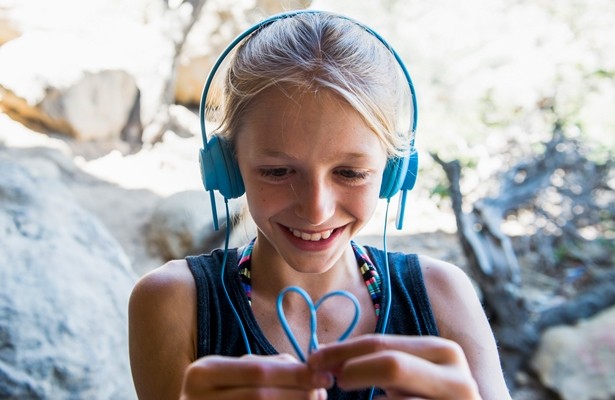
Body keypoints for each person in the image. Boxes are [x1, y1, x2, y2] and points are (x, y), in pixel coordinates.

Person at [128, 10, 512, 400]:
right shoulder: (173, 302)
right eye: (277, 171)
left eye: (349, 173)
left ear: (393, 174)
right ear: (226, 168)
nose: (316, 210)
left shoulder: (443, 296)